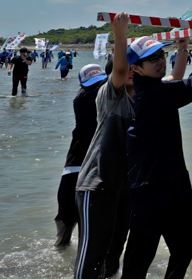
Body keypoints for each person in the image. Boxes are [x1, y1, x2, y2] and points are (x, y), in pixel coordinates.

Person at [123, 29, 192, 279]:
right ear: (136, 69)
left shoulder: (159, 89)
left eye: (162, 54)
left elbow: (188, 84)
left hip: (174, 180)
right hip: (149, 186)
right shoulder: (149, 95)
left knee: (187, 240)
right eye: (153, 59)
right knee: (141, 254)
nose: (161, 61)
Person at [74, 14, 134, 278]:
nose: (131, 69)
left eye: (136, 65)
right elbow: (119, 70)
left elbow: (175, 82)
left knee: (113, 255)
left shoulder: (139, 100)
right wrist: (119, 33)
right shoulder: (109, 95)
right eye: (129, 66)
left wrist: (183, 49)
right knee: (92, 255)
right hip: (95, 184)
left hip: (123, 186)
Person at [54, 64, 101, 247]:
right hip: (77, 167)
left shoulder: (93, 96)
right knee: (66, 220)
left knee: (79, 223)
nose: (99, 87)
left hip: (82, 167)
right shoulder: (82, 98)